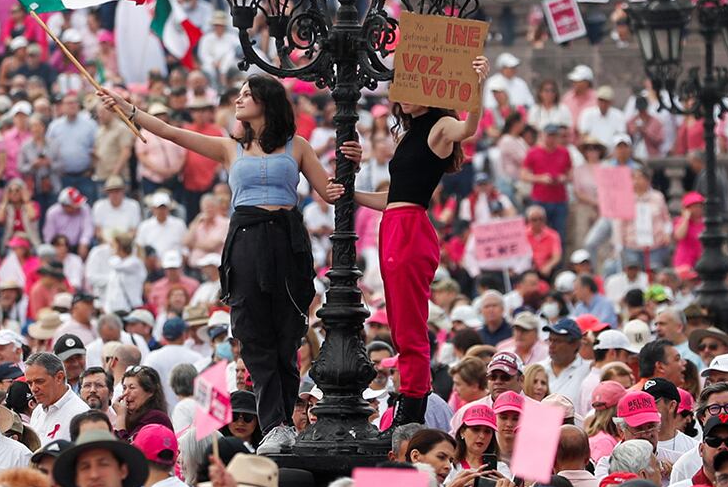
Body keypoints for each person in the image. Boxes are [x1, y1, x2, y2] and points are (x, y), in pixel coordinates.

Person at [94, 73, 340, 432]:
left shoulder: (297, 145)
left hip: (287, 243)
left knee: (287, 336)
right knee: (255, 338)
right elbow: (171, 132)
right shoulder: (230, 148)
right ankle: (275, 427)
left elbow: (330, 193)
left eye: (246, 94)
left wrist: (351, 161)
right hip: (247, 241)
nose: (238, 100)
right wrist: (127, 108)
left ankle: (286, 420)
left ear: (265, 101)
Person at [346, 54, 487, 424]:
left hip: (409, 228)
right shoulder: (408, 134)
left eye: (411, 86)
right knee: (398, 318)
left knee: (409, 322)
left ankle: (413, 400)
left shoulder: (441, 125)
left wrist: (477, 85)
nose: (402, 94)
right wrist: (349, 193)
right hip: (395, 222)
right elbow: (394, 196)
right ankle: (410, 393)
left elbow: (468, 129)